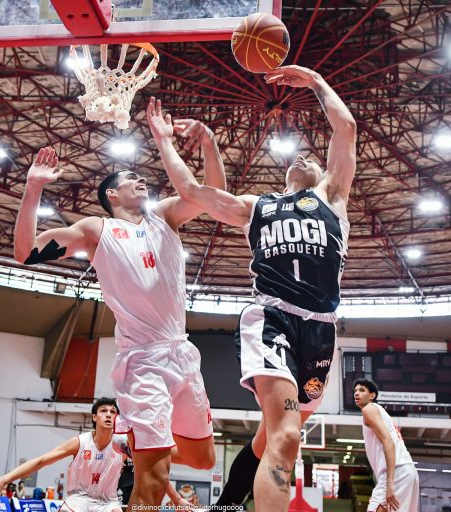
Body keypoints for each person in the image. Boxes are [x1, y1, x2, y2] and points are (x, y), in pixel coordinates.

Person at [147, 65, 356, 511]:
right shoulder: (256, 207)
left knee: (269, 438)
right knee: (287, 435)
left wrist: (316, 82)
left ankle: (225, 505)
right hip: (272, 319)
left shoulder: (332, 196)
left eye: (311, 158)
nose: (302, 158)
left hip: (321, 329)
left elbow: (346, 127)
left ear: (322, 172)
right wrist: (170, 141)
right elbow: (191, 190)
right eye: (296, 158)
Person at [13, 111, 227, 507]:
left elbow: (214, 195)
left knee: (203, 459)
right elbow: (25, 251)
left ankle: (135, 443)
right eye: (131, 178)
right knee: (154, 481)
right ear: (112, 194)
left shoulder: (165, 215)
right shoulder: (97, 230)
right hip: (143, 361)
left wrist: (209, 143)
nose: (141, 179)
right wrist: (34, 188)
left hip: (182, 353)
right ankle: (146, 444)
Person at [0, 398, 191, 512]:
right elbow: (41, 461)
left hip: (108, 503)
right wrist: (4, 479)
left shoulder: (122, 445)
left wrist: (178, 500)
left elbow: (155, 472)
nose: (109, 415)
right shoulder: (80, 442)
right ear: (94, 417)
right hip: (79, 499)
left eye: (113, 412)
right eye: (104, 411)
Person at [354, 379, 419, 512]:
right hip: (408, 471)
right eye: (355, 391)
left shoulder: (369, 409)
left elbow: (388, 442)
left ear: (372, 395)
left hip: (396, 472)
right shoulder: (382, 412)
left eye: (362, 390)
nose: (356, 393)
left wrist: (390, 483)